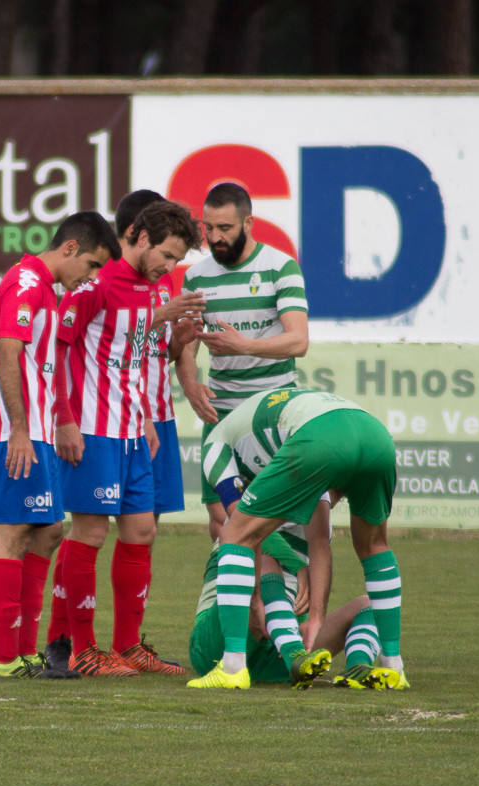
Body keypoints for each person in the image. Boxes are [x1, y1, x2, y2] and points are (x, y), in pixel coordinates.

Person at [42, 190, 201, 671]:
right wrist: (65, 419)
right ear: (142, 236)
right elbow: (61, 348)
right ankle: (79, 649)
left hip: (134, 429)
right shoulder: (96, 282)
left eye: (177, 259)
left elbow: (129, 358)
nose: (169, 266)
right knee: (89, 530)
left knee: (142, 529)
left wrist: (146, 418)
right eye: (167, 255)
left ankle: (129, 646)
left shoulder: (147, 286)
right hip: (94, 429)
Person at [0, 211, 121, 679]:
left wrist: (56, 421)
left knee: (48, 531)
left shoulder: (46, 290)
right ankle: (5, 658)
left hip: (36, 428)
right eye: (94, 265)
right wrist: (19, 428)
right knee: (15, 533)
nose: (93, 276)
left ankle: (24, 651)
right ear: (71, 249)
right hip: (10, 431)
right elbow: (7, 351)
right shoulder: (25, 284)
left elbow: (43, 364)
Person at [186, 387, 408, 691]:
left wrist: (316, 617)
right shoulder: (217, 443)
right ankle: (392, 664)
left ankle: (350, 664)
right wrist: (254, 603)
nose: (341, 495)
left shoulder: (293, 453)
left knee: (366, 604)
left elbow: (318, 543)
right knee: (374, 546)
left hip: (322, 435)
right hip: (377, 436)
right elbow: (234, 531)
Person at [175, 182, 310, 545]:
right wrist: (189, 385)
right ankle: (243, 602)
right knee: (221, 521)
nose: (214, 237)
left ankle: (274, 597)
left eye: (225, 228)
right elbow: (187, 346)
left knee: (277, 517)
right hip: (221, 415)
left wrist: (244, 344)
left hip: (273, 412)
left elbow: (299, 341)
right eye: (208, 228)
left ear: (248, 223)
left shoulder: (280, 267)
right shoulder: (196, 276)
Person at [189, 531, 384, 689]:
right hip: (220, 644)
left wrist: (309, 620)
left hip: (277, 645)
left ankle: (357, 669)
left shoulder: (319, 510)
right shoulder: (256, 496)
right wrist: (299, 567)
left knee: (370, 605)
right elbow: (247, 531)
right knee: (264, 561)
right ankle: (294, 656)